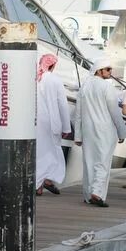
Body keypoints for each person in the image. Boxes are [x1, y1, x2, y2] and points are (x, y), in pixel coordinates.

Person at [74, 57, 126, 207]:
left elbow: (78, 113)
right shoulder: (107, 87)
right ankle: (96, 192)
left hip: (88, 130)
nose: (111, 72)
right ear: (99, 70)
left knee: (89, 162)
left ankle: (88, 194)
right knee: (102, 162)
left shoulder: (84, 87)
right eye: (108, 69)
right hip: (104, 130)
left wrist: (78, 134)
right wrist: (122, 133)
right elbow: (115, 113)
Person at [36, 54, 71, 196]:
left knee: (38, 153)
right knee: (51, 153)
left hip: (34, 123)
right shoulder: (55, 80)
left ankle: (39, 183)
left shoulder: (35, 78)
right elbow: (62, 104)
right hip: (51, 122)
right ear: (53, 65)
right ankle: (44, 181)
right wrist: (67, 127)